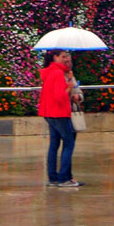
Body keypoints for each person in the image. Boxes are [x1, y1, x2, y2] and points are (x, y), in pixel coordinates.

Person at [38, 49, 81, 188]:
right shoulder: (57, 73)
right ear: (55, 57)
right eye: (63, 57)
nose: (65, 59)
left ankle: (53, 177)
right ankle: (63, 178)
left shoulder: (49, 72)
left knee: (54, 145)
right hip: (59, 113)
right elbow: (60, 96)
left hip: (49, 113)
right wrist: (69, 87)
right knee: (69, 144)